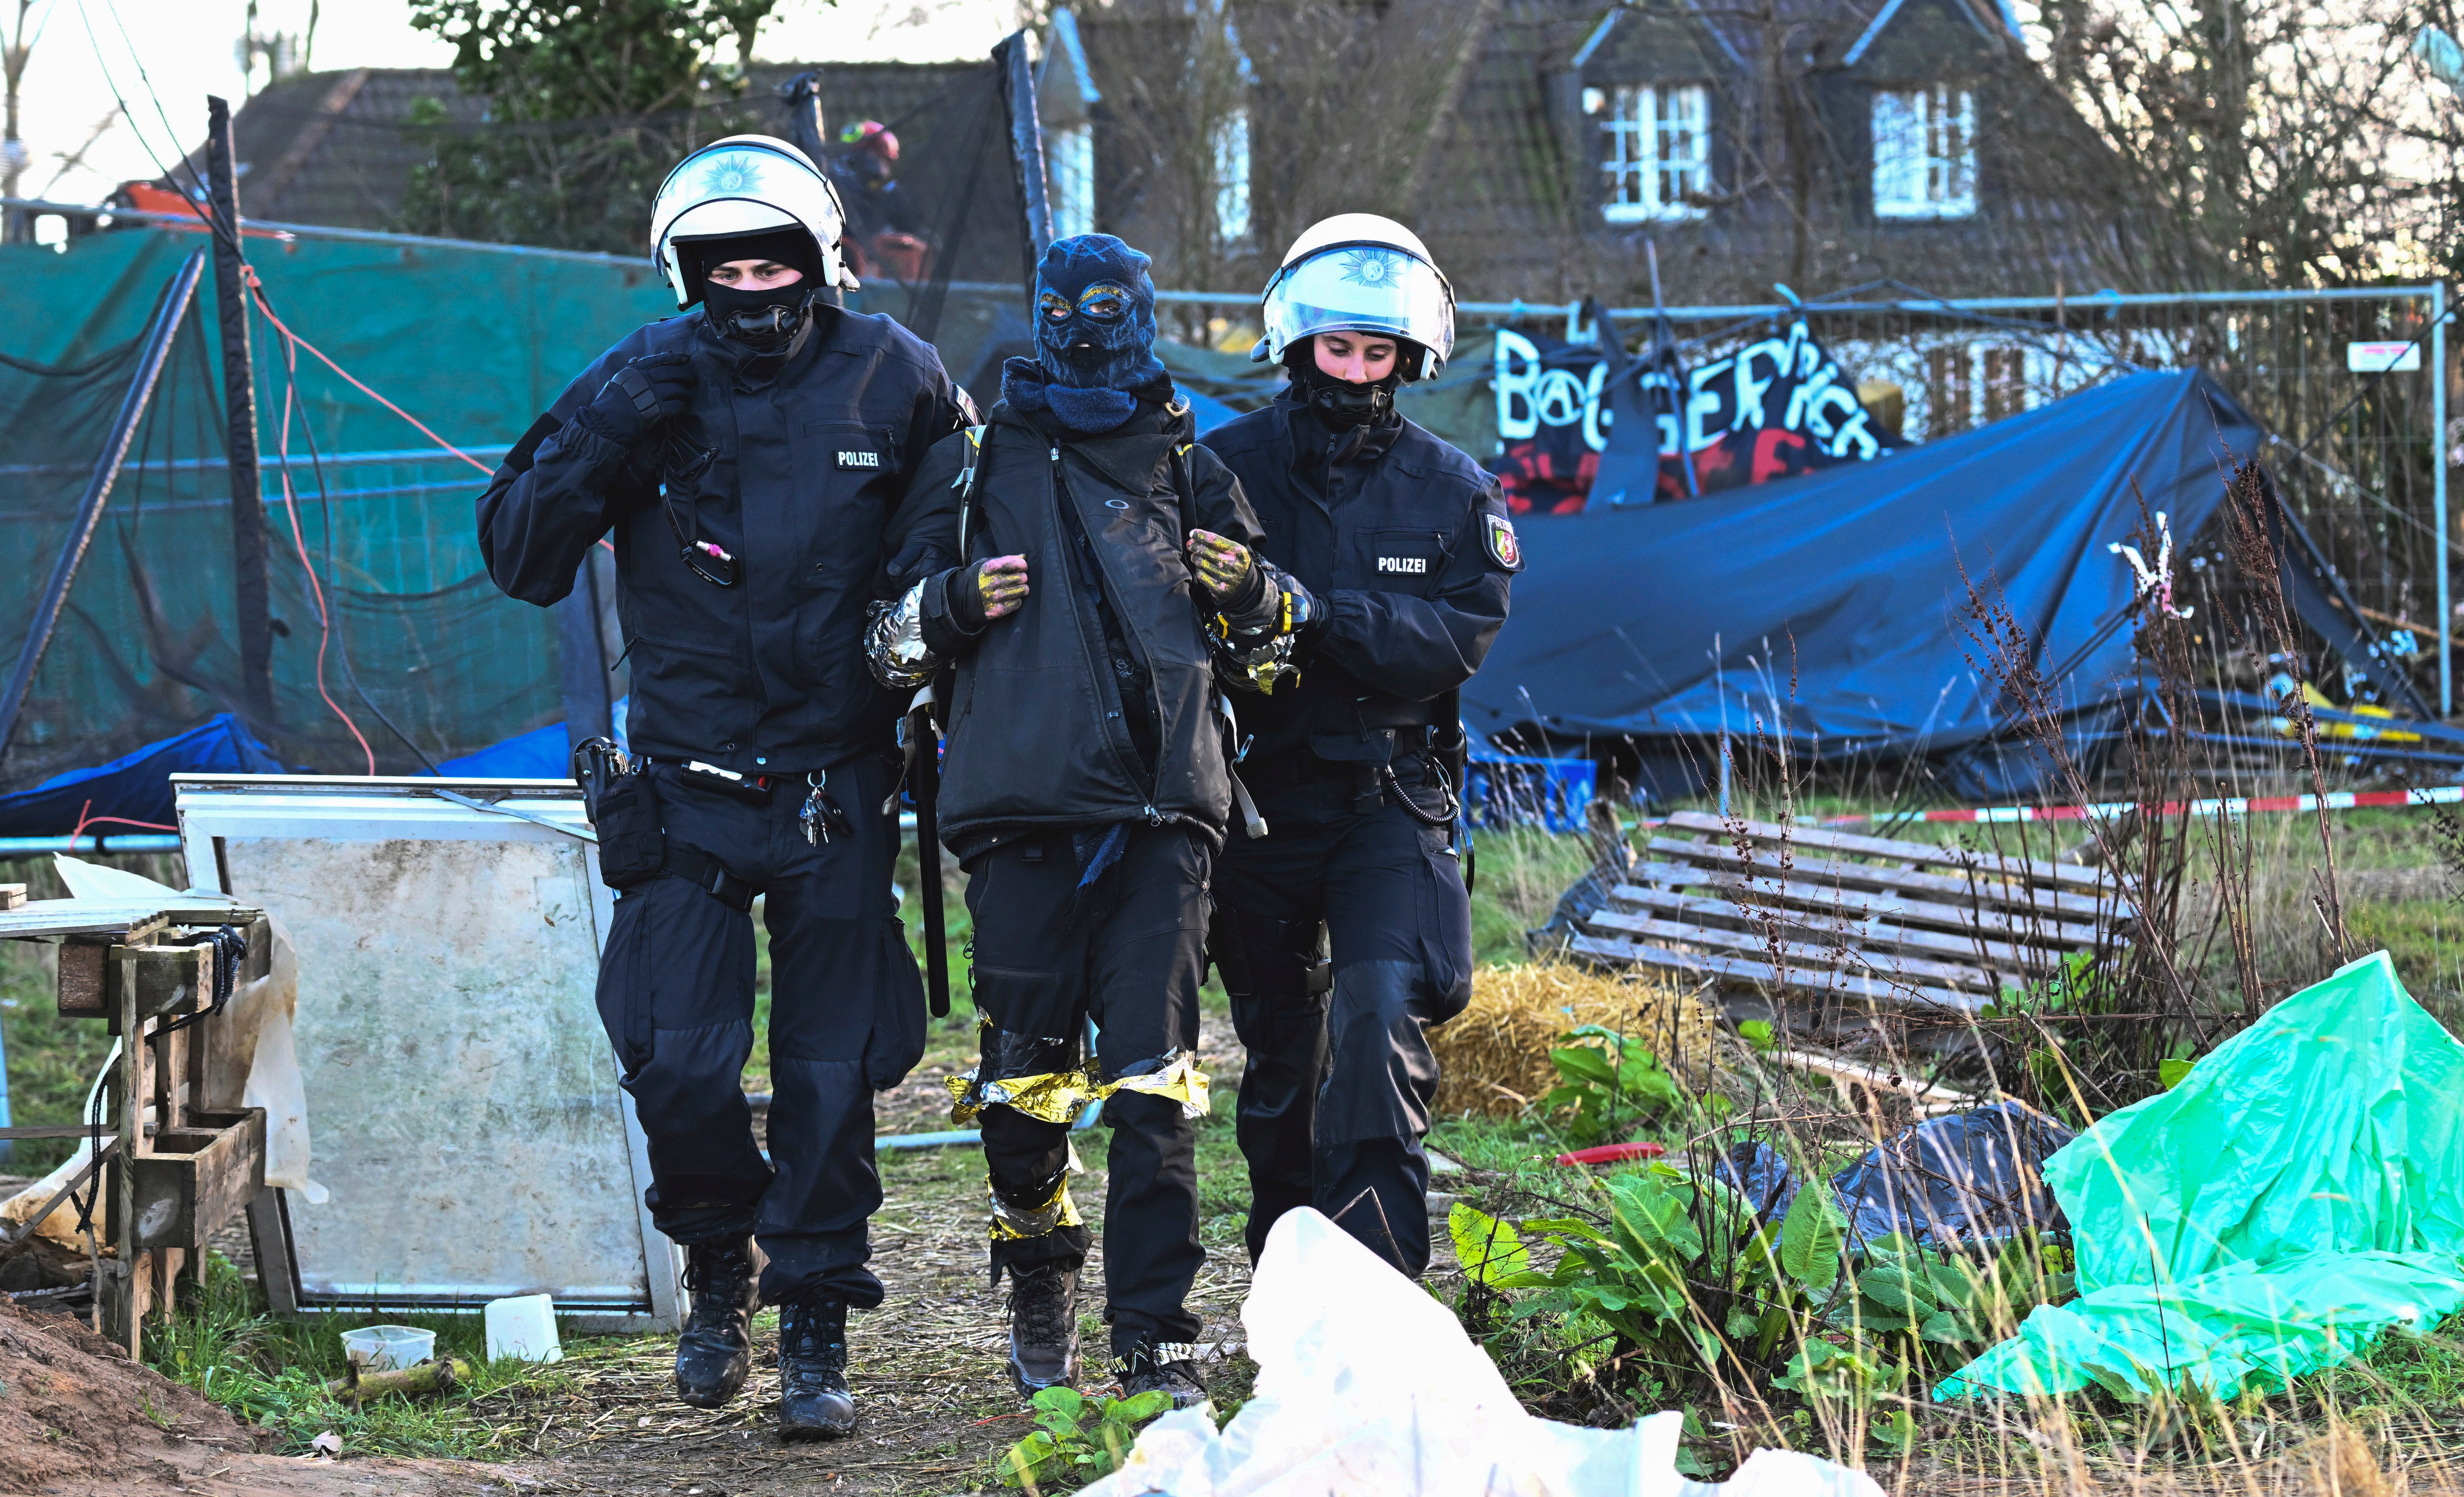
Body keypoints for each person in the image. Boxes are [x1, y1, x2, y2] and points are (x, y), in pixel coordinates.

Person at [475, 135, 972, 1441]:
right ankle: (717, 1261)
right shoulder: (643, 372)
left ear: (819, 261)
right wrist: (615, 424)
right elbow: (523, 554)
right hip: (685, 785)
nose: (751, 286)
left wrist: (922, 647)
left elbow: (954, 536)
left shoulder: (898, 377)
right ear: (688, 272)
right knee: (675, 1058)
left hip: (835, 780)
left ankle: (813, 1316)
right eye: (725, 265)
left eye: (773, 260)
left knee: (827, 1067)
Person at [864, 233, 1281, 1407]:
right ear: (1034, 317)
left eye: (1112, 307)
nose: (1089, 329)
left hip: (1164, 816)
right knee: (1023, 1081)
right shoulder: (972, 459)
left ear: (1144, 313)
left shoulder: (1193, 457)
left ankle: (1157, 1341)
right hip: (1013, 815)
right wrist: (948, 603)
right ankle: (1038, 1259)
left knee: (1156, 1086)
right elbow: (883, 642)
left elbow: (1271, 648)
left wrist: (1246, 591)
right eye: (1066, 309)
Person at [1197, 214, 1519, 1279]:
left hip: (1388, 797)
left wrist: (1310, 610)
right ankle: (1292, 1284)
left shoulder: (1451, 490)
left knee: (1381, 1015)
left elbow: (1452, 641)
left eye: (1375, 353)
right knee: (1282, 1062)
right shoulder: (1219, 471)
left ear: (1408, 359)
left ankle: (1379, 1291)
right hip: (1257, 801)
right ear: (1297, 346)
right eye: (1337, 349)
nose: (1354, 371)